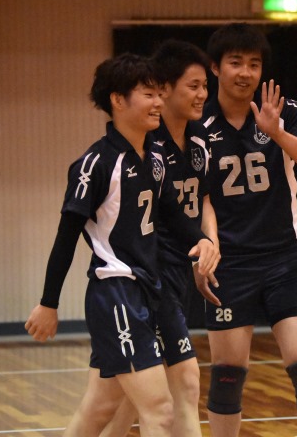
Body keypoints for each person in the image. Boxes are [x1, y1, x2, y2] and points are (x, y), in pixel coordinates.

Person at [24, 52, 217, 437]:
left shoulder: (156, 156)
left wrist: (202, 240)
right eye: (148, 94)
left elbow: (171, 213)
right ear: (118, 99)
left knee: (101, 406)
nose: (158, 102)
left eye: (159, 94)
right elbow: (66, 238)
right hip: (116, 292)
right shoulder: (95, 164)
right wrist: (48, 303)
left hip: (152, 289)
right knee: (159, 408)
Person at [195, 23, 297, 437]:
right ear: (215, 68)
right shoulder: (197, 124)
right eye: (235, 62)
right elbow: (200, 195)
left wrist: (277, 133)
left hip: (285, 258)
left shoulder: (286, 111)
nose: (245, 72)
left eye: (254, 64)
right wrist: (208, 242)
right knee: (227, 375)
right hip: (230, 264)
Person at [99, 40, 222, 437]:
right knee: (177, 385)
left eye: (205, 86)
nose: (202, 94)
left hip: (178, 271)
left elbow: (204, 200)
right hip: (146, 278)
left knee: (124, 400)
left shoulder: (200, 139)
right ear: (165, 89)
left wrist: (208, 247)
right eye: (193, 86)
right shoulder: (145, 147)